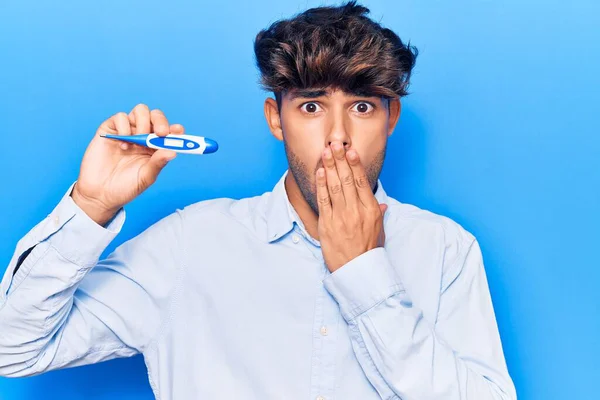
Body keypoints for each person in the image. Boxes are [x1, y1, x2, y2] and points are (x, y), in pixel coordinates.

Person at [0, 1, 516, 399]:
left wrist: (365, 275)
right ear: (276, 119)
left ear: (391, 118)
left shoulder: (445, 249)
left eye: (361, 106)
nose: (337, 137)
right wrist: (90, 206)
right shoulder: (192, 243)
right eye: (311, 107)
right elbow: (12, 348)